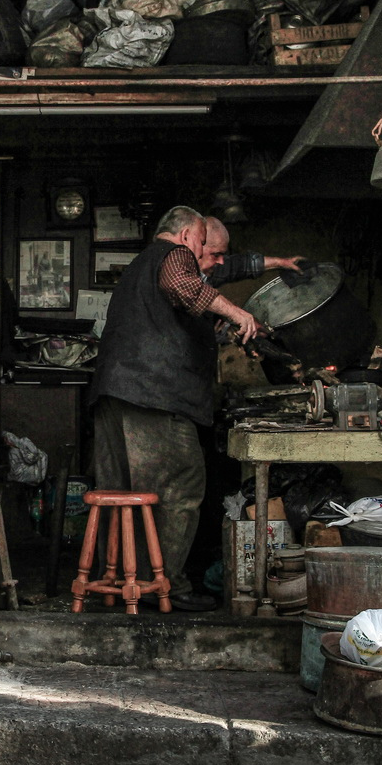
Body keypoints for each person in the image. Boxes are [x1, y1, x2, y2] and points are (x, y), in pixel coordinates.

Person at [90, 206, 264, 612]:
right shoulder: (174, 255)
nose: (204, 254)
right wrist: (238, 312)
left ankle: (118, 581)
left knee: (123, 491)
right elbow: (183, 284)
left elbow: (187, 296)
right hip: (154, 397)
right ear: (187, 235)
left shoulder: (139, 266)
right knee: (179, 487)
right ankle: (165, 585)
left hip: (116, 395)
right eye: (203, 243)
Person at [201, 215, 304, 287]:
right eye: (215, 255)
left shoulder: (207, 270)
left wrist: (281, 263)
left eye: (222, 255)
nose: (221, 261)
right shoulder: (187, 282)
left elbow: (240, 265)